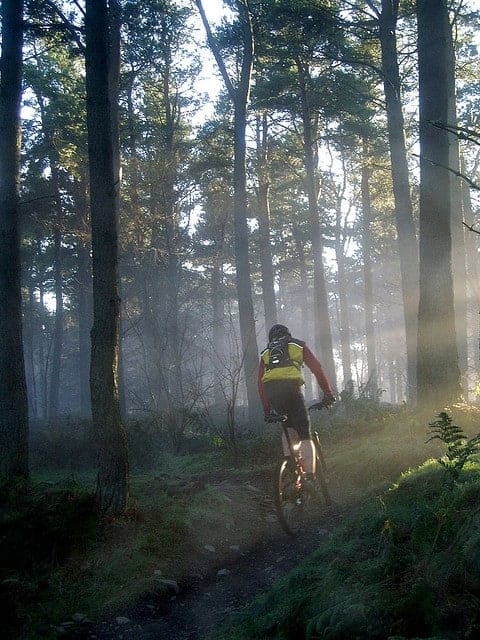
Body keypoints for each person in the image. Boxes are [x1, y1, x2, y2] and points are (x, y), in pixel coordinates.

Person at [257, 324, 335, 479]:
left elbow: (260, 383)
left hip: (273, 393)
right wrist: (328, 393)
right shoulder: (297, 345)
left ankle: (291, 467)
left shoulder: (266, 353)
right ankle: (309, 476)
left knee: (289, 428)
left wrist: (267, 409)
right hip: (292, 390)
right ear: (288, 335)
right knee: (304, 433)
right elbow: (317, 368)